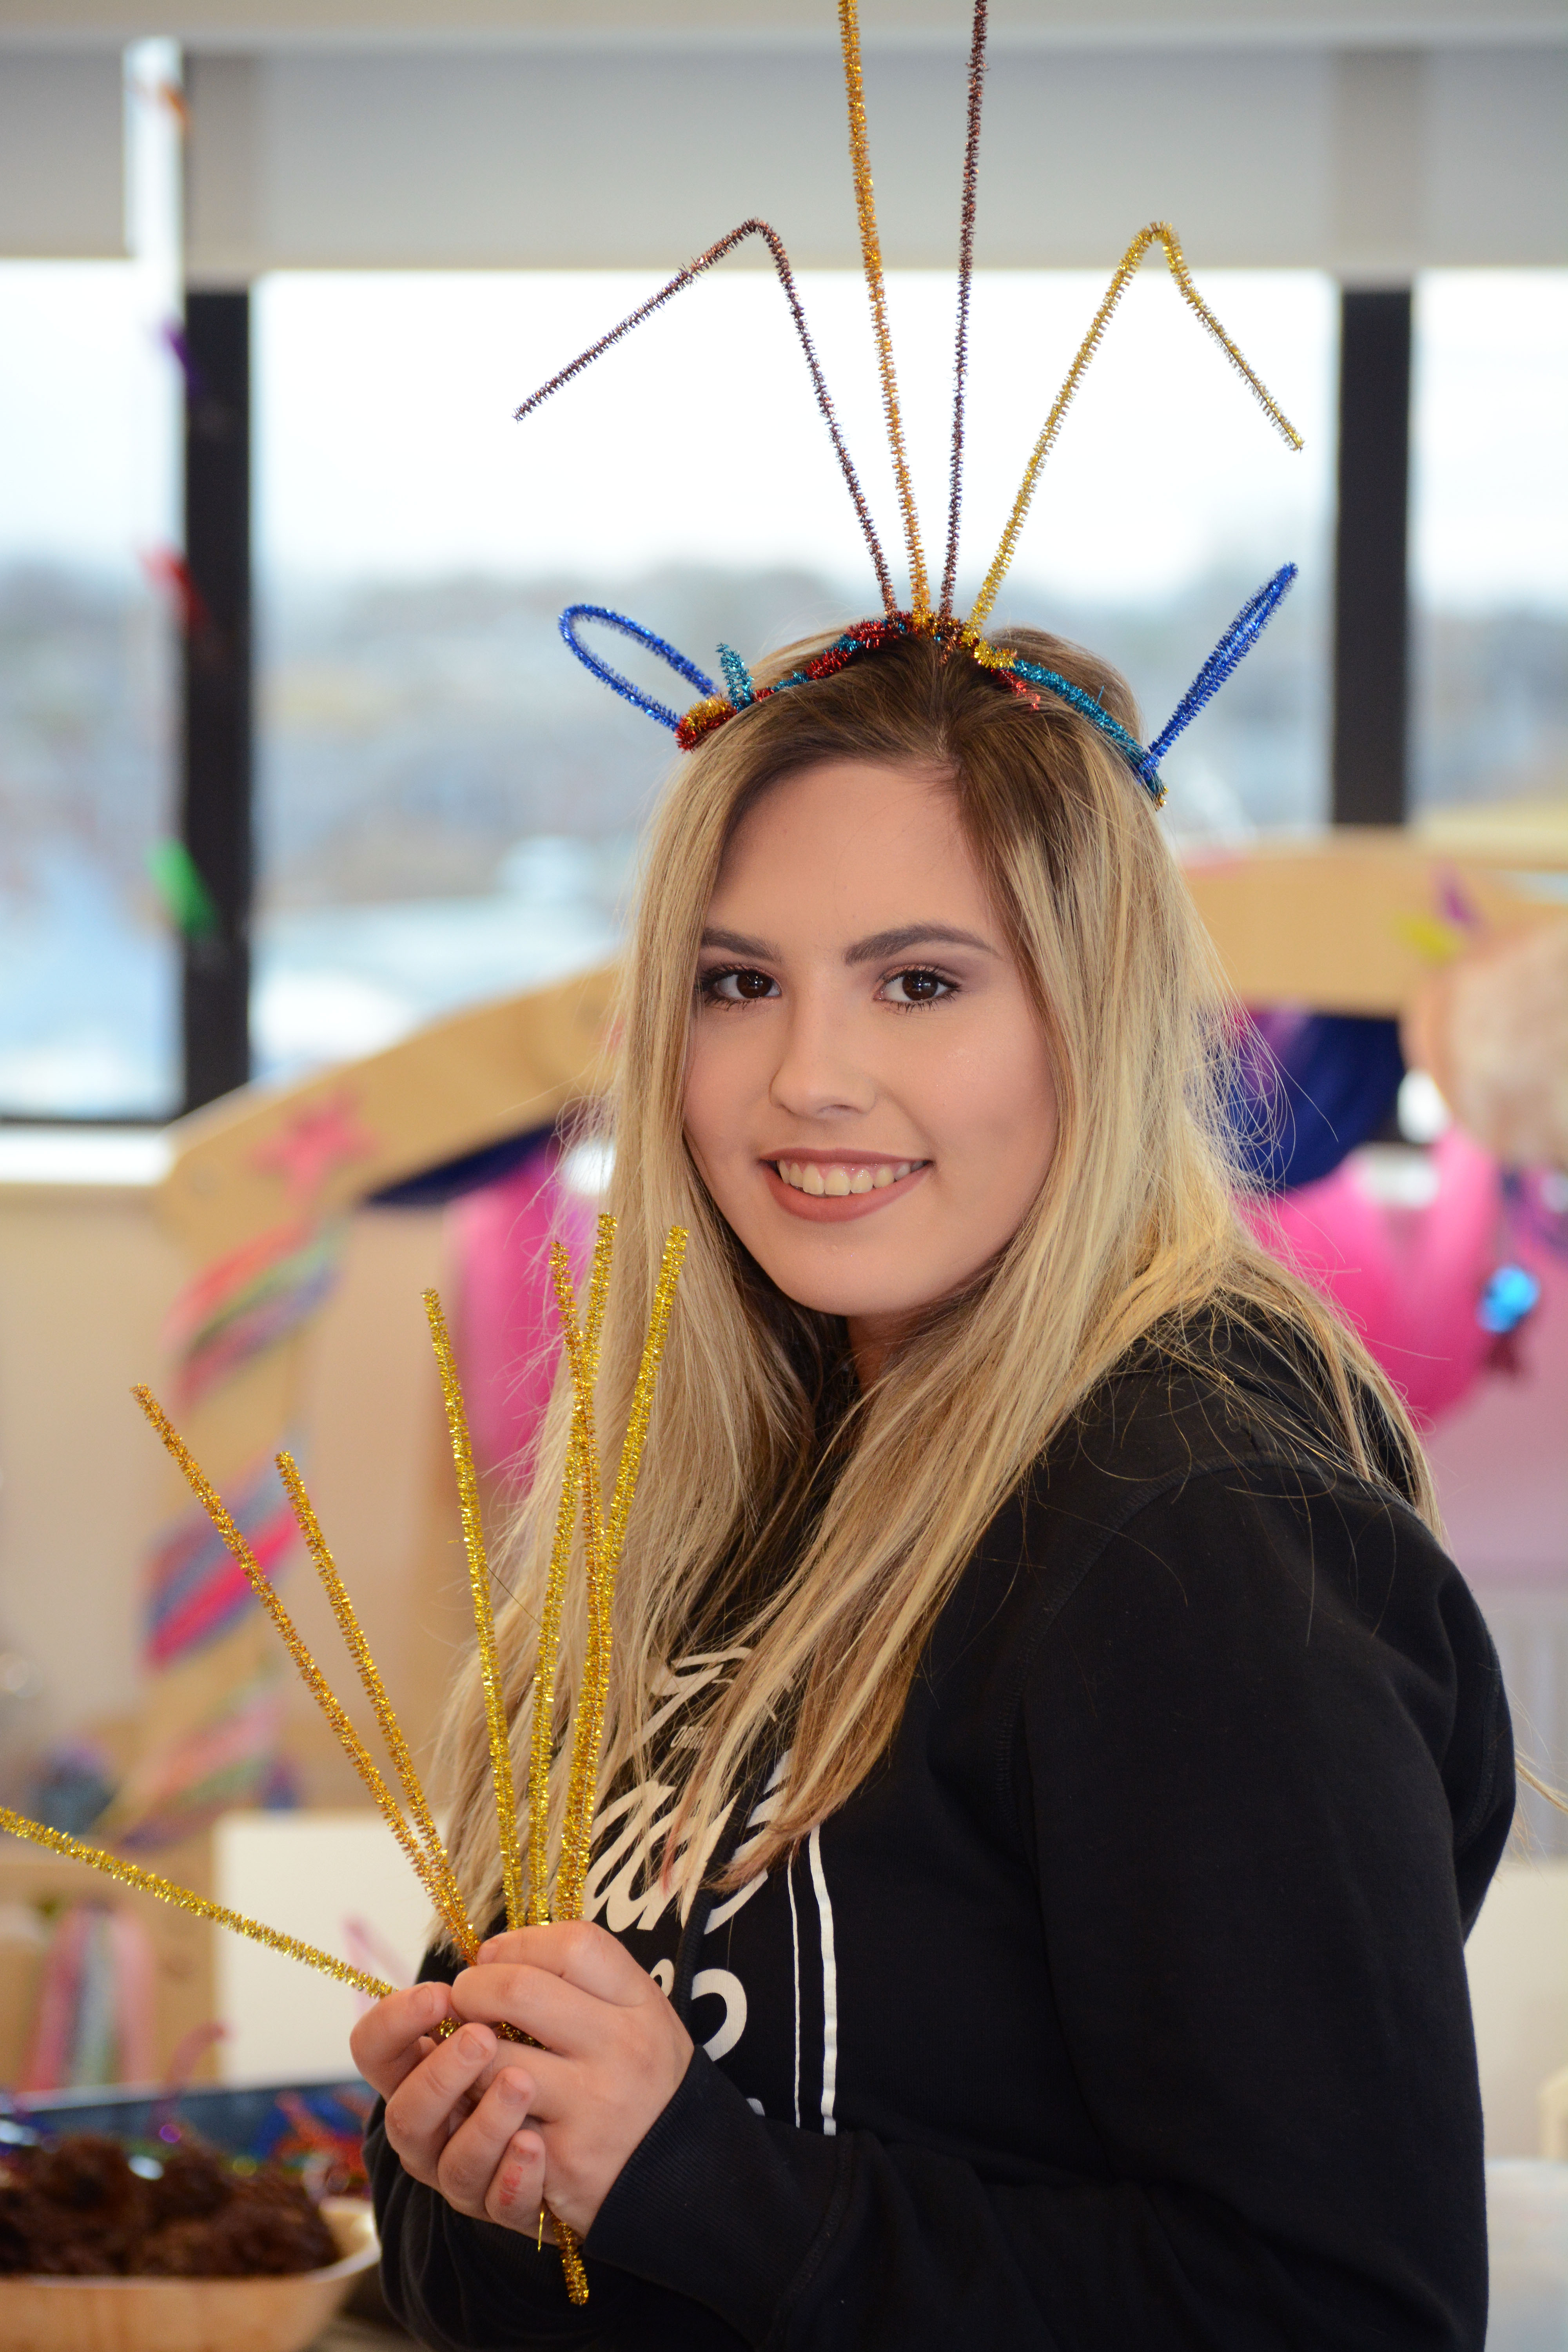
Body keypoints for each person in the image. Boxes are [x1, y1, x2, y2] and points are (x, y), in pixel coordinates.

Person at [353, 620, 1514, 2350]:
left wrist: (689, 2173)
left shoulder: (1198, 1539)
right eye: (737, 984)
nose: (807, 1076)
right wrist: (469, 2147)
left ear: (1090, 1013)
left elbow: (1338, 2312)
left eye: (918, 981)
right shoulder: (733, 1484)